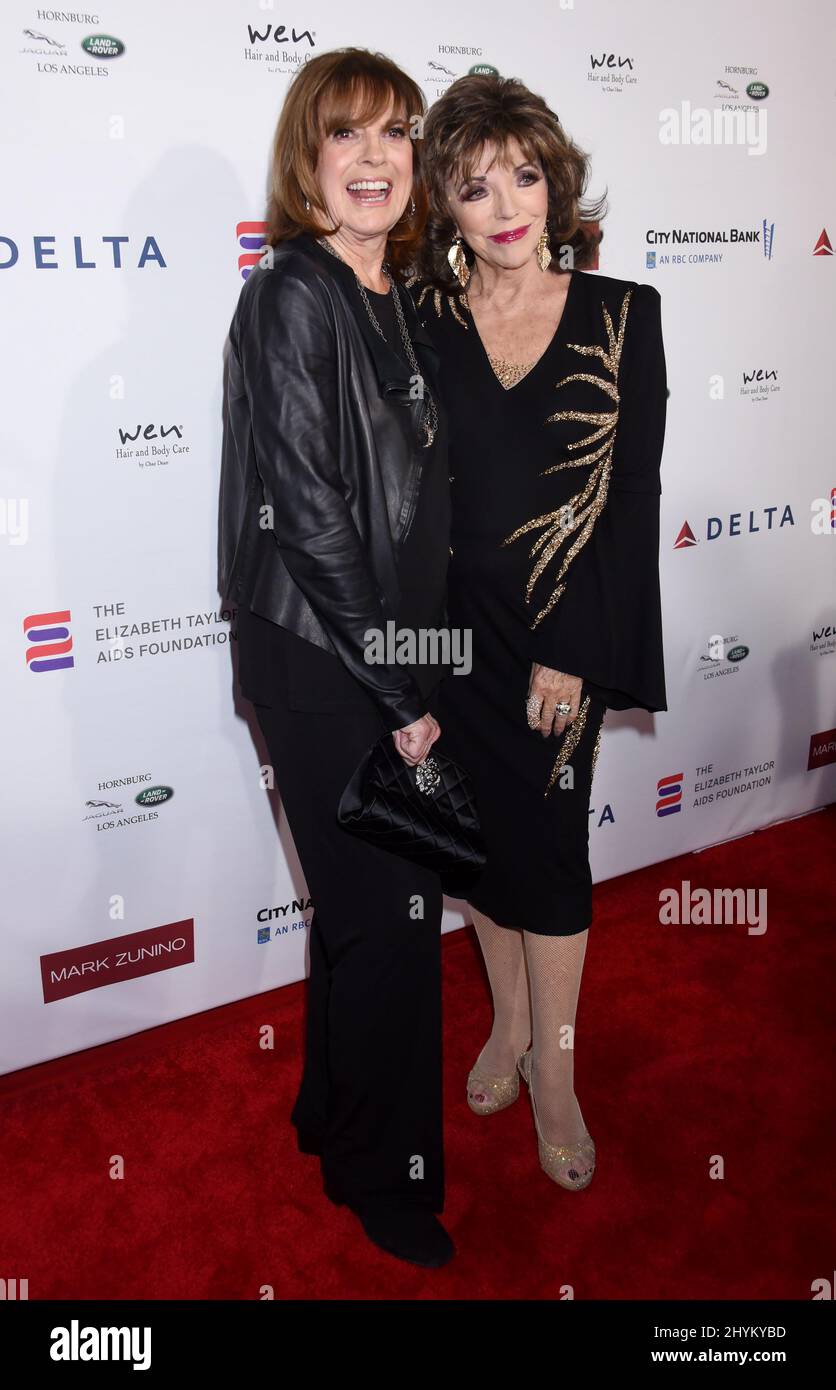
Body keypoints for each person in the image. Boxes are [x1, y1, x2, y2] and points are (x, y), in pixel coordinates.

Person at [408, 73, 668, 1191]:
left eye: (522, 174)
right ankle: (508, 1025)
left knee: (551, 861)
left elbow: (631, 502)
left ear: (554, 183)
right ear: (447, 207)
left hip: (559, 641)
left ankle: (554, 1073)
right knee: (476, 853)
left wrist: (575, 648)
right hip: (452, 642)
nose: (504, 203)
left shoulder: (624, 315)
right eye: (473, 186)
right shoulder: (421, 319)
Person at [218, 48, 454, 1266]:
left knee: (361, 913)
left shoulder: (393, 296)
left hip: (374, 645)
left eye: (393, 135)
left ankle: (328, 1115)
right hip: (324, 660)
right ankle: (386, 1174)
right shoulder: (291, 295)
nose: (374, 159)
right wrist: (403, 693)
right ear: (306, 164)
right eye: (345, 136)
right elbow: (309, 513)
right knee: (389, 916)